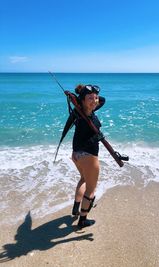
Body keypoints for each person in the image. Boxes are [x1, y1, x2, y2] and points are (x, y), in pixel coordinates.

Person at [61, 84, 105, 228]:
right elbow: (87, 138)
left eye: (96, 97)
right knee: (91, 189)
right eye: (90, 98)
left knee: (84, 179)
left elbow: (102, 100)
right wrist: (97, 137)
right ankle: (83, 220)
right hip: (89, 155)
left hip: (77, 154)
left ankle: (76, 207)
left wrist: (90, 99)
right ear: (82, 101)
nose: (95, 100)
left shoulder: (80, 113)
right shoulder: (85, 114)